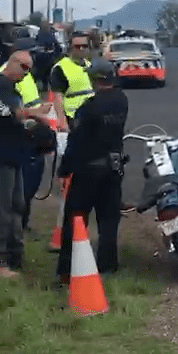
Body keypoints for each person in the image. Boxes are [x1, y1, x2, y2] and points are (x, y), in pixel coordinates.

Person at [56, 58, 129, 284]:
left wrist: (64, 169)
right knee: (109, 220)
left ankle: (69, 270)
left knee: (75, 219)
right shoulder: (121, 100)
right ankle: (108, 267)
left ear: (95, 79)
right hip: (113, 168)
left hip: (88, 171)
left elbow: (76, 141)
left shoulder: (89, 108)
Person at [0, 51, 52, 277]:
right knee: (2, 207)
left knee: (17, 204)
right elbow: (8, 112)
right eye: (24, 67)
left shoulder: (11, 88)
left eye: (29, 69)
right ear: (11, 63)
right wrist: (35, 113)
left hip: (13, 153)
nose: (26, 73)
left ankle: (15, 255)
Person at [0, 37, 47, 232]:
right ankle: (16, 225)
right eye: (29, 55)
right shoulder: (4, 78)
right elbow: (5, 110)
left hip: (33, 127)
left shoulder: (25, 73)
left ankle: (22, 222)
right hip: (21, 131)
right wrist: (32, 113)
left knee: (31, 180)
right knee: (22, 184)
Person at [49, 32, 94, 132]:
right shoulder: (61, 68)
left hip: (91, 116)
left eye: (84, 46)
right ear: (70, 47)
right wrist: (62, 120)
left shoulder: (89, 65)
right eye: (77, 46)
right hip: (73, 118)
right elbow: (57, 97)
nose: (82, 49)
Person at [34, 20, 63, 92]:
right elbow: (58, 48)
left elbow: (58, 48)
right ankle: (44, 87)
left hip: (42, 58)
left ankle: (43, 87)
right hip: (45, 58)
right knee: (45, 75)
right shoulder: (47, 35)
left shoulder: (40, 35)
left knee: (43, 75)